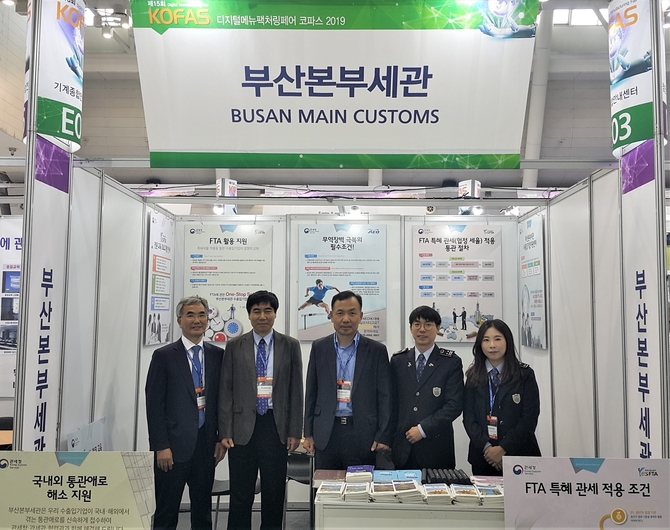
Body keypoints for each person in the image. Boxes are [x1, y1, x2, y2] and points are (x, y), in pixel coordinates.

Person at [219, 290, 303, 530]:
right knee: (240, 494)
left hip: (275, 427)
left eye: (268, 310)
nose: (262, 316)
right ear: (249, 315)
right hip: (241, 429)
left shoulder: (290, 345)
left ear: (275, 314)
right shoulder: (235, 346)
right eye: (257, 311)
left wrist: (295, 431)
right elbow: (226, 390)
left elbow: (296, 391)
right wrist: (225, 430)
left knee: (274, 492)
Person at [145, 295, 226, 530]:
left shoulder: (216, 355)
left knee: (202, 513)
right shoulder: (164, 356)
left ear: (208, 319)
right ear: (180, 320)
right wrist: (161, 446)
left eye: (201, 315)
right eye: (190, 315)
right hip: (172, 447)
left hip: (206, 445)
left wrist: (220, 438)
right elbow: (154, 404)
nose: (196, 320)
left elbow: (221, 401)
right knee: (167, 511)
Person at [303, 290, 392, 469]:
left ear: (361, 316)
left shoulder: (376, 351)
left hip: (363, 434)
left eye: (352, 313)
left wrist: (383, 435)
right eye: (340, 313)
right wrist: (308, 433)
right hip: (326, 433)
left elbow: (385, 396)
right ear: (331, 316)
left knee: (360, 484)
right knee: (326, 484)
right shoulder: (319, 347)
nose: (346, 319)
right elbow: (311, 392)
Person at [462, 319, 541, 476]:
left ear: (507, 341)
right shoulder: (473, 376)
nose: (492, 345)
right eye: (486, 340)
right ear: (480, 344)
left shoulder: (524, 375)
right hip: (483, 457)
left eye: (497, 339)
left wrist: (503, 448)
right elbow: (469, 417)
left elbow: (529, 418)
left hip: (519, 456)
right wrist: (487, 448)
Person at [391, 305, 464, 470]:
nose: (422, 329)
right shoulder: (398, 361)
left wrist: (423, 429)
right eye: (417, 324)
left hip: (436, 448)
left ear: (438, 328)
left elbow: (454, 405)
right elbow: (391, 403)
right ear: (411, 328)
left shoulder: (450, 362)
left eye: (428, 324)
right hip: (403, 447)